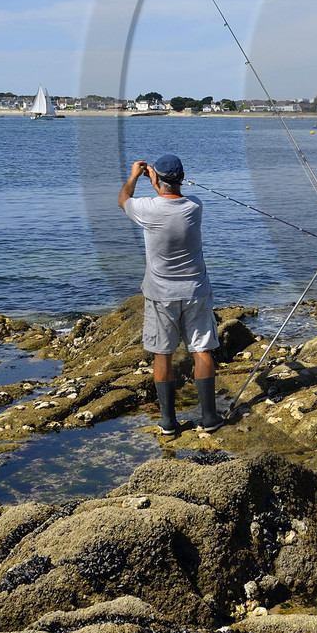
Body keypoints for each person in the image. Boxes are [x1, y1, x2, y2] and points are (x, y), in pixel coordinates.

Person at [118, 154, 221, 435]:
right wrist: (158, 180)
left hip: (160, 294)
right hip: (195, 291)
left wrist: (134, 176)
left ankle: (168, 422)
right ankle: (209, 419)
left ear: (158, 181)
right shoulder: (194, 207)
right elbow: (170, 197)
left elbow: (123, 200)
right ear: (182, 179)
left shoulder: (147, 209)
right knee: (202, 349)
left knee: (162, 355)